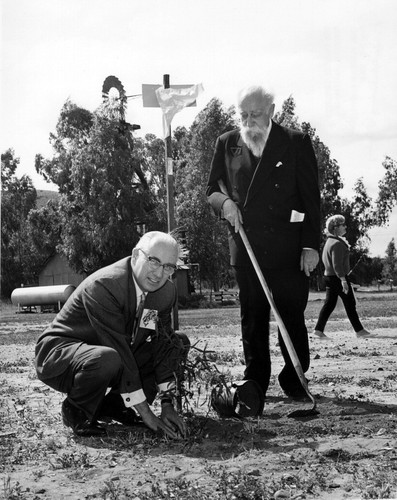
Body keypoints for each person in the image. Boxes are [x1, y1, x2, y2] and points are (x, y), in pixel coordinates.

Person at [206, 85, 321, 401]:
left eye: (254, 114)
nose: (248, 120)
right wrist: (225, 204)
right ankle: (255, 379)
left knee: (291, 316)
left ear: (271, 110)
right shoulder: (228, 144)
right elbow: (211, 190)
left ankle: (294, 377)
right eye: (242, 114)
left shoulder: (296, 142)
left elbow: (312, 198)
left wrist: (311, 246)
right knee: (253, 317)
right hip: (246, 246)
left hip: (288, 248)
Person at [35, 231, 189, 438]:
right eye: (153, 261)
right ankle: (76, 409)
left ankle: (116, 405)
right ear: (136, 256)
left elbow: (162, 345)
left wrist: (167, 403)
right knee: (108, 357)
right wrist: (147, 414)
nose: (159, 274)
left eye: (168, 267)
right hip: (62, 355)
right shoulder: (104, 285)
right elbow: (119, 348)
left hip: (111, 353)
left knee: (176, 342)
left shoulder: (163, 293)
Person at [313, 215, 374, 339]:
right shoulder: (337, 244)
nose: (345, 226)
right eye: (343, 225)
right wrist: (343, 280)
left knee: (329, 304)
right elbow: (337, 265)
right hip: (337, 278)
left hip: (330, 277)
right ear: (335, 228)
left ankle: (318, 331)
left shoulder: (329, 242)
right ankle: (359, 331)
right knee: (350, 303)